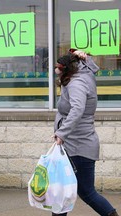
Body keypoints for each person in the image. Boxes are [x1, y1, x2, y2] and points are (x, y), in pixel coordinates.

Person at [52, 49, 119, 216]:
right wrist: (84, 56)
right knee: (64, 191)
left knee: (86, 192)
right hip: (75, 144)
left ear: (66, 69)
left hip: (79, 146)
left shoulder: (77, 83)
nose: (55, 70)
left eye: (57, 67)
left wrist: (61, 134)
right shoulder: (83, 73)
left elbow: (77, 109)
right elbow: (92, 67)